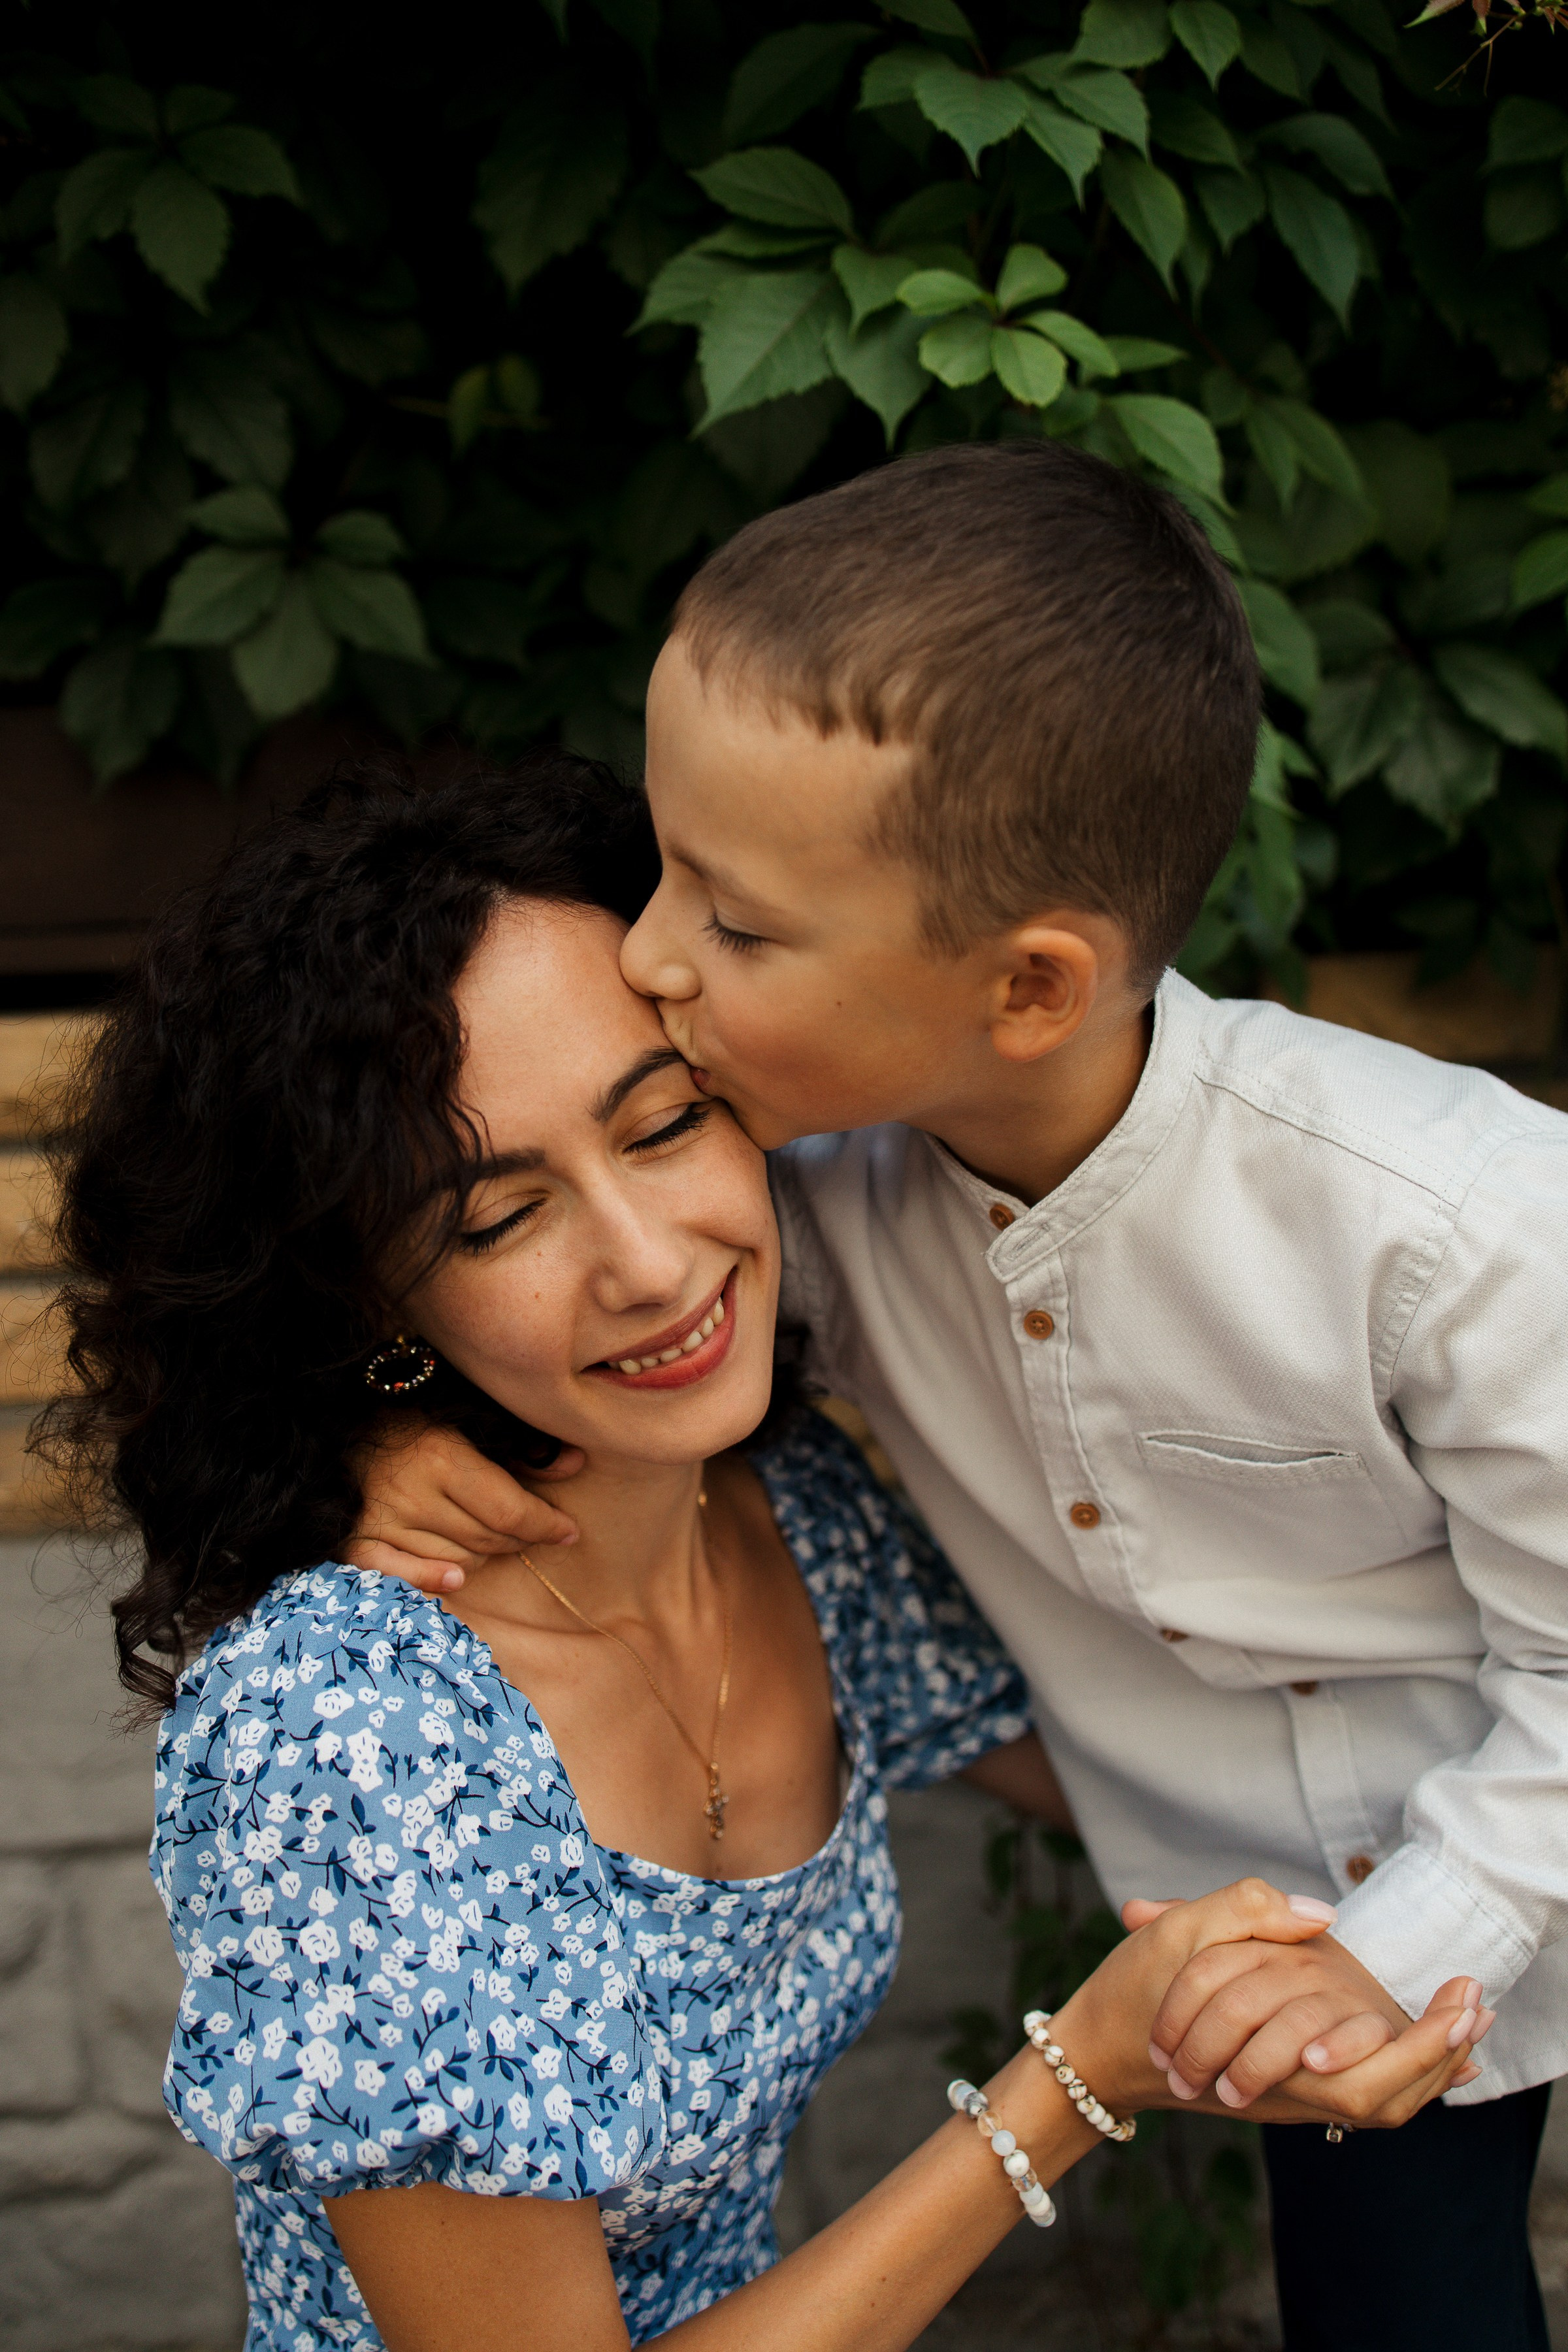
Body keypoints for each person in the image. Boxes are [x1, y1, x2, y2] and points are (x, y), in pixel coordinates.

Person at [350, 442, 1563, 2351]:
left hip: (1499, 1851)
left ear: (1028, 988)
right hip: (1274, 1941)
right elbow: (544, 1317)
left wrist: (1409, 1943)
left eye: (736, 924)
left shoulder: (1452, 1226)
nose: (649, 956)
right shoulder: (813, 1216)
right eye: (664, 871)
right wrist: (380, 1426)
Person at [42, 760, 1476, 2352]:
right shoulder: (344, 1732)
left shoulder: (780, 1507)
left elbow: (1148, 1766)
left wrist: (1434, 1904)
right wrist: (1071, 2082)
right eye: (499, 1220)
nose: (651, 1265)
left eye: (666, 1123)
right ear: (374, 1297)